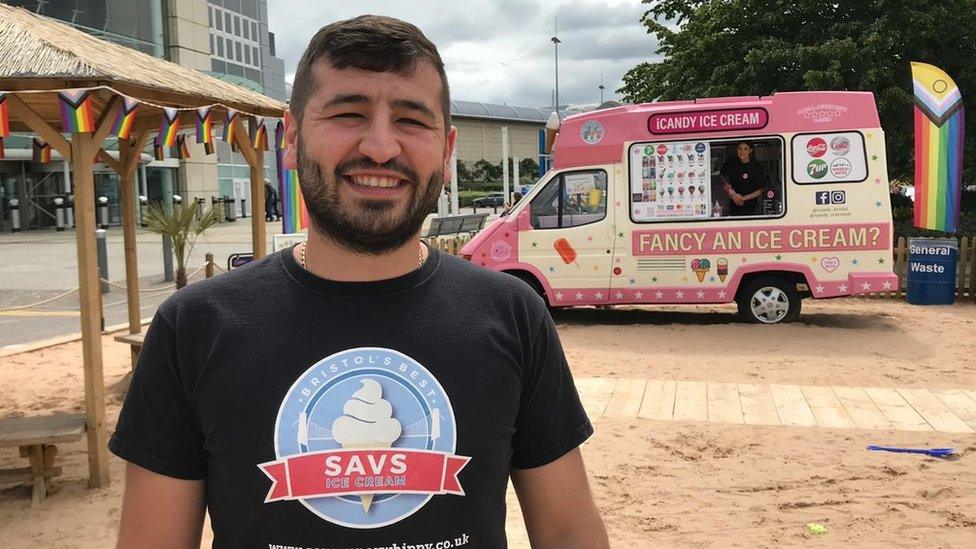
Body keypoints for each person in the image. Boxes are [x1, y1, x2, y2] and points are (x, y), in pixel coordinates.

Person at [111, 15, 608, 549]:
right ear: (293, 136)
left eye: (412, 121)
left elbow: (567, 530)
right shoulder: (194, 326)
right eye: (348, 113)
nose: (379, 147)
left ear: (446, 148)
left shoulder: (513, 315)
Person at [719, 141, 767, 216]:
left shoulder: (756, 167)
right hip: (733, 201)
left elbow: (761, 190)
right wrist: (725, 183)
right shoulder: (732, 162)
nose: (742, 152)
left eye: (745, 149)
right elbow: (722, 174)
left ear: (750, 151)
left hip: (750, 204)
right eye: (740, 149)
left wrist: (742, 198)